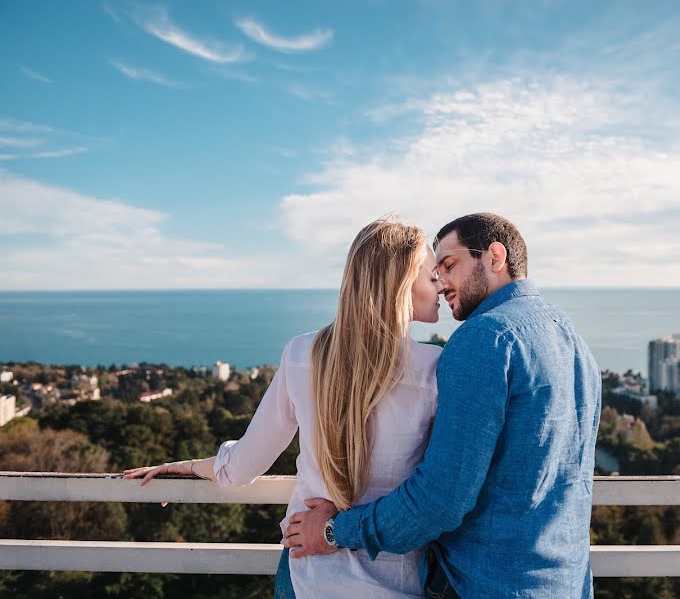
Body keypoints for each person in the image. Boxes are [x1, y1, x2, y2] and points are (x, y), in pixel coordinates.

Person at [286, 213, 602, 598]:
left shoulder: (484, 339)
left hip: (489, 584)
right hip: (566, 583)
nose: (442, 282)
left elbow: (439, 500)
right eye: (436, 271)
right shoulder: (570, 335)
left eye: (450, 265)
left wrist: (335, 531)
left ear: (495, 257)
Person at [124, 219, 445, 598]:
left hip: (305, 576)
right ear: (401, 285)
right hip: (395, 581)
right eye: (431, 275)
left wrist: (193, 467)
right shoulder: (438, 370)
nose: (440, 285)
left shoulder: (302, 355)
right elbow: (441, 491)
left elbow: (244, 463)